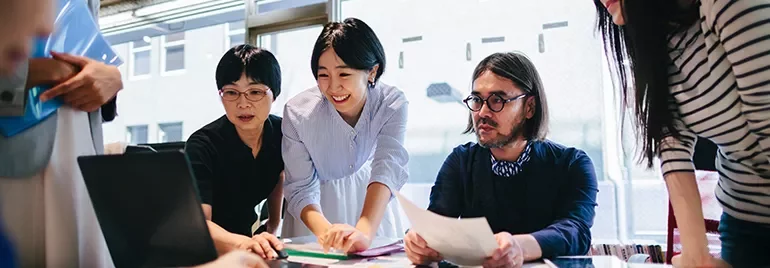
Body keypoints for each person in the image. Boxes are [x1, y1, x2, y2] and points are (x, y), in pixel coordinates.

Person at [594, 0, 770, 267]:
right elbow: (672, 147)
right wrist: (695, 254)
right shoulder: (657, 41)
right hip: (743, 221)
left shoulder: (729, 6)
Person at [403, 52, 598, 268]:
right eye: (477, 100)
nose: (482, 112)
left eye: (497, 100)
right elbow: (437, 222)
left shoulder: (572, 164)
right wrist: (418, 240)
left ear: (529, 107)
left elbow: (575, 230)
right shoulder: (461, 162)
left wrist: (519, 247)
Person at [0, 0, 123, 267]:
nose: (46, 28)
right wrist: (34, 73)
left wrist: (110, 81)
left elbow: (87, 48)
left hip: (80, 157)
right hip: (14, 153)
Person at [281, 17, 409, 252]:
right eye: (323, 75)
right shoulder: (298, 113)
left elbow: (387, 166)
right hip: (313, 210)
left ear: (372, 71)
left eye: (344, 75)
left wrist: (363, 231)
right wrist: (329, 234)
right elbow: (300, 187)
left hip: (371, 201)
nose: (333, 87)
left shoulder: (391, 104)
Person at [185, 45, 285, 260]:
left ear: (274, 95)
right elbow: (201, 223)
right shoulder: (202, 145)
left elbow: (279, 174)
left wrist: (273, 223)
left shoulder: (283, 132)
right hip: (206, 249)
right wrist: (245, 244)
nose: (243, 103)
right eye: (231, 92)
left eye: (255, 92)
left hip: (246, 242)